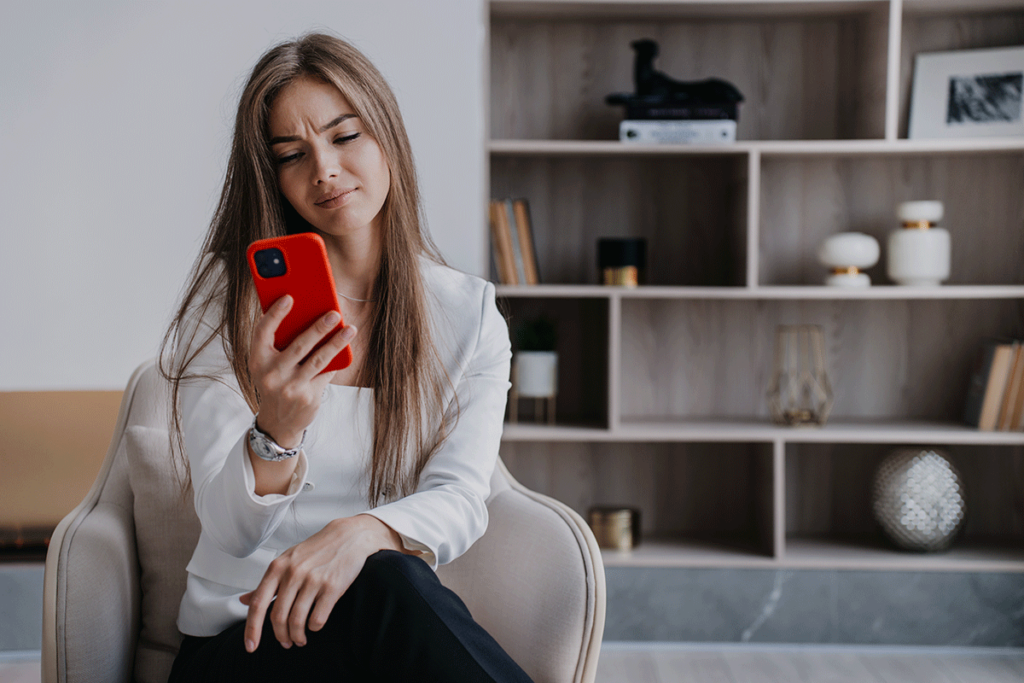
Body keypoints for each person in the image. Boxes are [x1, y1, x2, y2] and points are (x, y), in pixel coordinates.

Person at [160, 32, 532, 682]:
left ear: (386, 133)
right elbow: (227, 530)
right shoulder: (225, 305)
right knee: (393, 583)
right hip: (242, 642)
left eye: (344, 135)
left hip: (372, 635)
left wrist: (362, 532)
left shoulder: (467, 315)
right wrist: (275, 432)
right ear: (270, 176)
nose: (325, 169)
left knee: (389, 572)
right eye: (292, 154)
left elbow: (462, 495)